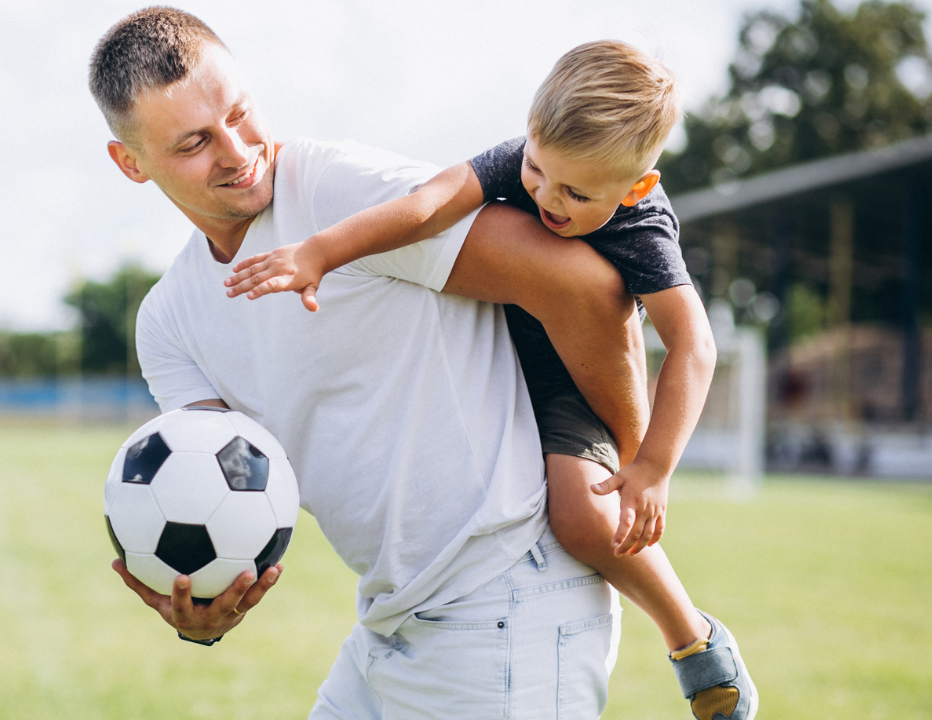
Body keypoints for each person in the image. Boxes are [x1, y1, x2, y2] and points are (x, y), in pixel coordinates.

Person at [91, 8, 648, 718]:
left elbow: (586, 288)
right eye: (196, 142)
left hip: (510, 598)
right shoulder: (169, 321)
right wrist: (204, 603)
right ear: (131, 162)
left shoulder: (335, 193)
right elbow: (214, 488)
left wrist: (630, 460)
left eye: (241, 113)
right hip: (392, 618)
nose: (236, 151)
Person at [223, 42, 757, 720]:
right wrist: (321, 251)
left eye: (575, 192)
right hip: (491, 363)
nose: (545, 197)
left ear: (636, 188)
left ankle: (693, 637)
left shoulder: (643, 225)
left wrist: (653, 465)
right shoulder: (523, 158)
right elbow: (428, 205)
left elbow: (694, 345)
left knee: (583, 516)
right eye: (537, 170)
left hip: (565, 387)